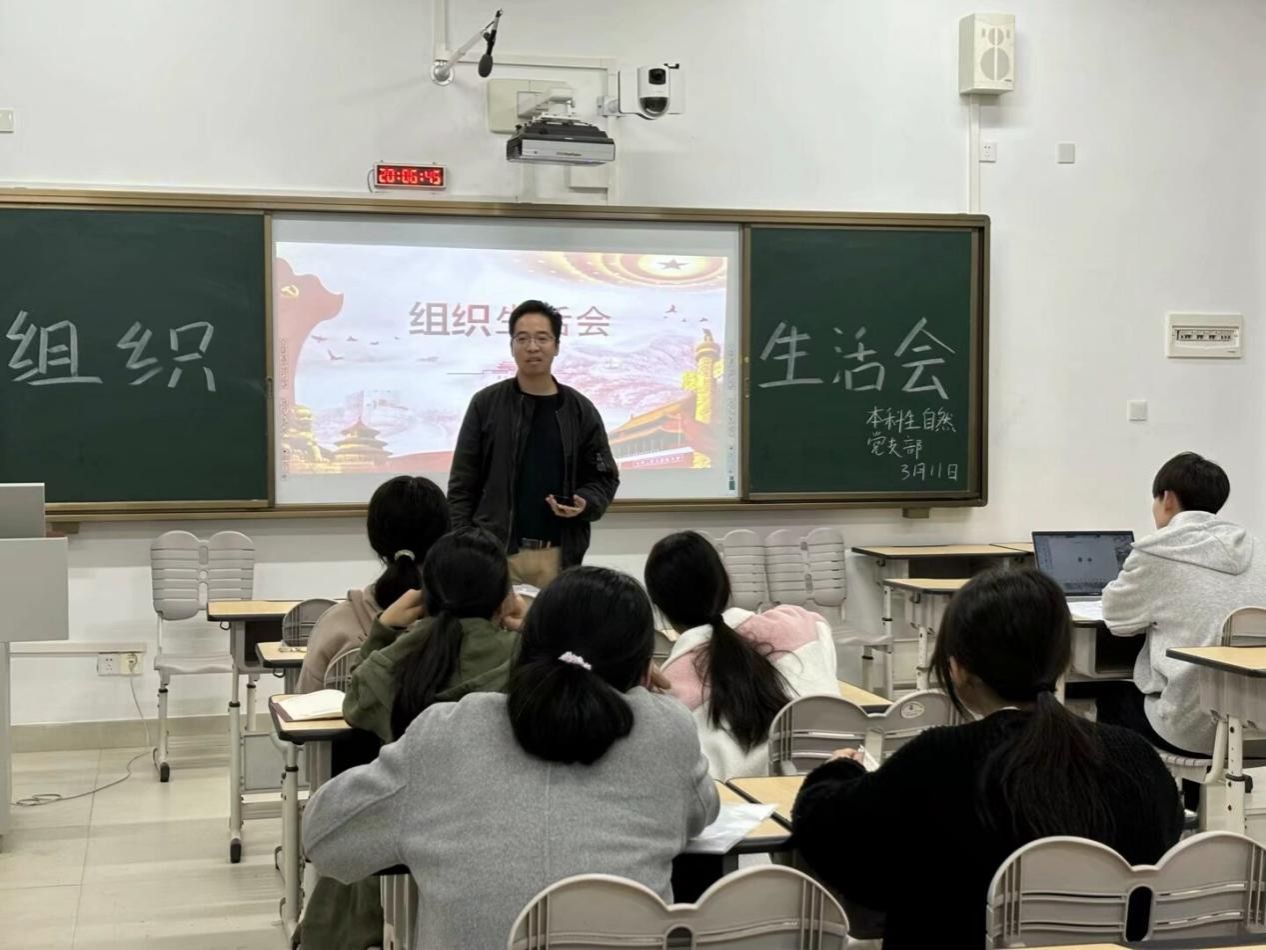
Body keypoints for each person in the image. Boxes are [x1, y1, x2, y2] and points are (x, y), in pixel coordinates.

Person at [303, 566, 718, 950]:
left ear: (524, 645)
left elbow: (323, 838)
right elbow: (703, 811)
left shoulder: (449, 732)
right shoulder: (666, 730)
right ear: (645, 667)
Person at [792, 569, 1182, 950]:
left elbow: (830, 838)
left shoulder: (937, 760)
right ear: (1063, 659)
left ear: (959, 668)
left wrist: (837, 770)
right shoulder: (1135, 757)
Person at [1099, 451, 1266, 756]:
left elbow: (1116, 620)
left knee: (1109, 698)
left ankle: (1139, 788)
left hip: (1188, 730)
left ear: (1167, 498)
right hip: (1258, 728)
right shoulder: (1258, 549)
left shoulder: (1157, 552)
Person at [447, 299, 619, 589]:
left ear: (557, 346)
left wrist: (585, 501)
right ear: (511, 345)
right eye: (522, 338)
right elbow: (462, 485)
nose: (532, 347)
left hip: (558, 554)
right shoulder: (486, 404)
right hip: (494, 554)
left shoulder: (579, 409)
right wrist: (465, 544)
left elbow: (604, 477)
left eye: (542, 338)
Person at [644, 530, 839, 778]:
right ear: (725, 582)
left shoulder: (669, 684)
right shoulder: (803, 624)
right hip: (835, 781)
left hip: (742, 798)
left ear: (658, 606)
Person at [342, 528, 520, 743]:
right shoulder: (528, 657)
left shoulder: (398, 658)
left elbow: (354, 704)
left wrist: (383, 630)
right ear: (505, 598)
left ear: (425, 595)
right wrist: (534, 628)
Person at [298, 475, 449, 693]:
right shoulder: (468, 626)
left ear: (375, 540)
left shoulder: (335, 625)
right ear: (444, 538)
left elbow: (303, 704)